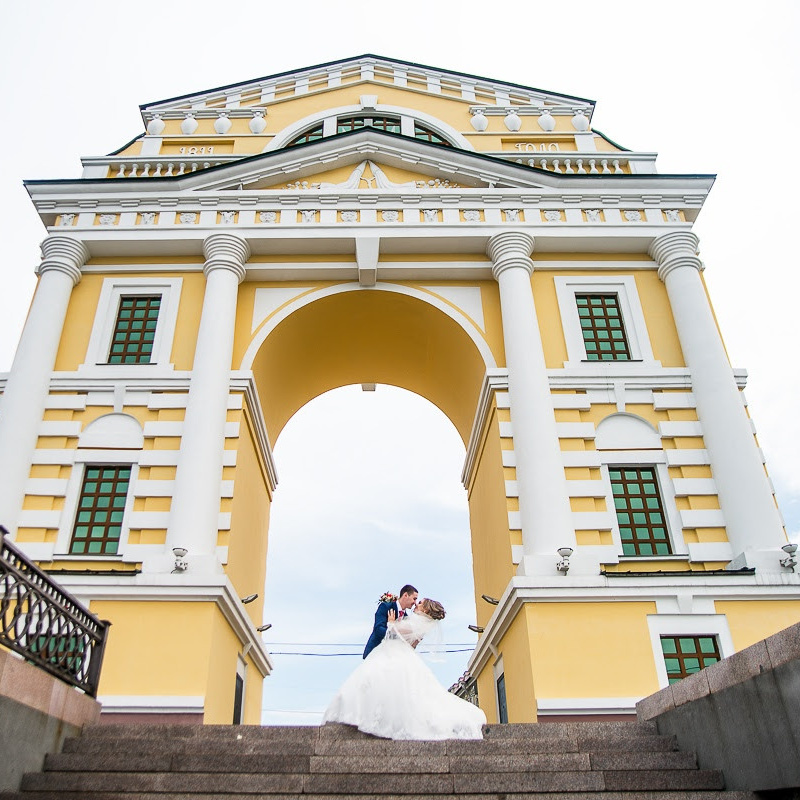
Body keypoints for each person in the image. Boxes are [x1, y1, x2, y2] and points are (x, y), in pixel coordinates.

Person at [323, 597, 486, 740]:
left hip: (395, 654)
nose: (416, 604)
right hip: (398, 653)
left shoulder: (418, 622)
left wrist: (391, 623)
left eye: (420, 603)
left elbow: (394, 632)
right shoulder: (420, 624)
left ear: (425, 609)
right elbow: (410, 643)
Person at [363, 584, 418, 659]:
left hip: (391, 656)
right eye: (414, 599)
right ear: (405, 595)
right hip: (375, 654)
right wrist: (397, 636)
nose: (415, 602)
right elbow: (378, 629)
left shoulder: (406, 618)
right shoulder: (385, 607)